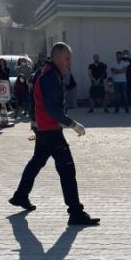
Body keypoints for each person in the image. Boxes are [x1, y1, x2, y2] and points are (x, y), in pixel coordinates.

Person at [10, 42, 99, 226]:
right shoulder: (50, 77)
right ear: (57, 57)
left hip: (44, 128)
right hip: (50, 130)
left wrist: (35, 124)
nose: (70, 62)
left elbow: (37, 102)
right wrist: (73, 124)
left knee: (37, 162)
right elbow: (52, 108)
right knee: (67, 170)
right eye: (67, 58)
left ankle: (20, 195)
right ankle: (75, 212)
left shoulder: (46, 72)